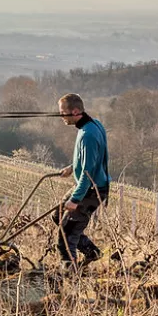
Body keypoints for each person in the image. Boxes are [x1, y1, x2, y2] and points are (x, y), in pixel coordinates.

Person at [52, 93, 110, 270]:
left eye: (63, 113)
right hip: (87, 185)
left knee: (64, 238)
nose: (61, 116)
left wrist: (75, 200)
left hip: (91, 190)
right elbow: (90, 159)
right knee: (57, 215)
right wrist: (72, 167)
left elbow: (88, 173)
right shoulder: (93, 124)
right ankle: (91, 252)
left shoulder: (87, 135)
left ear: (75, 111)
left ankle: (70, 278)